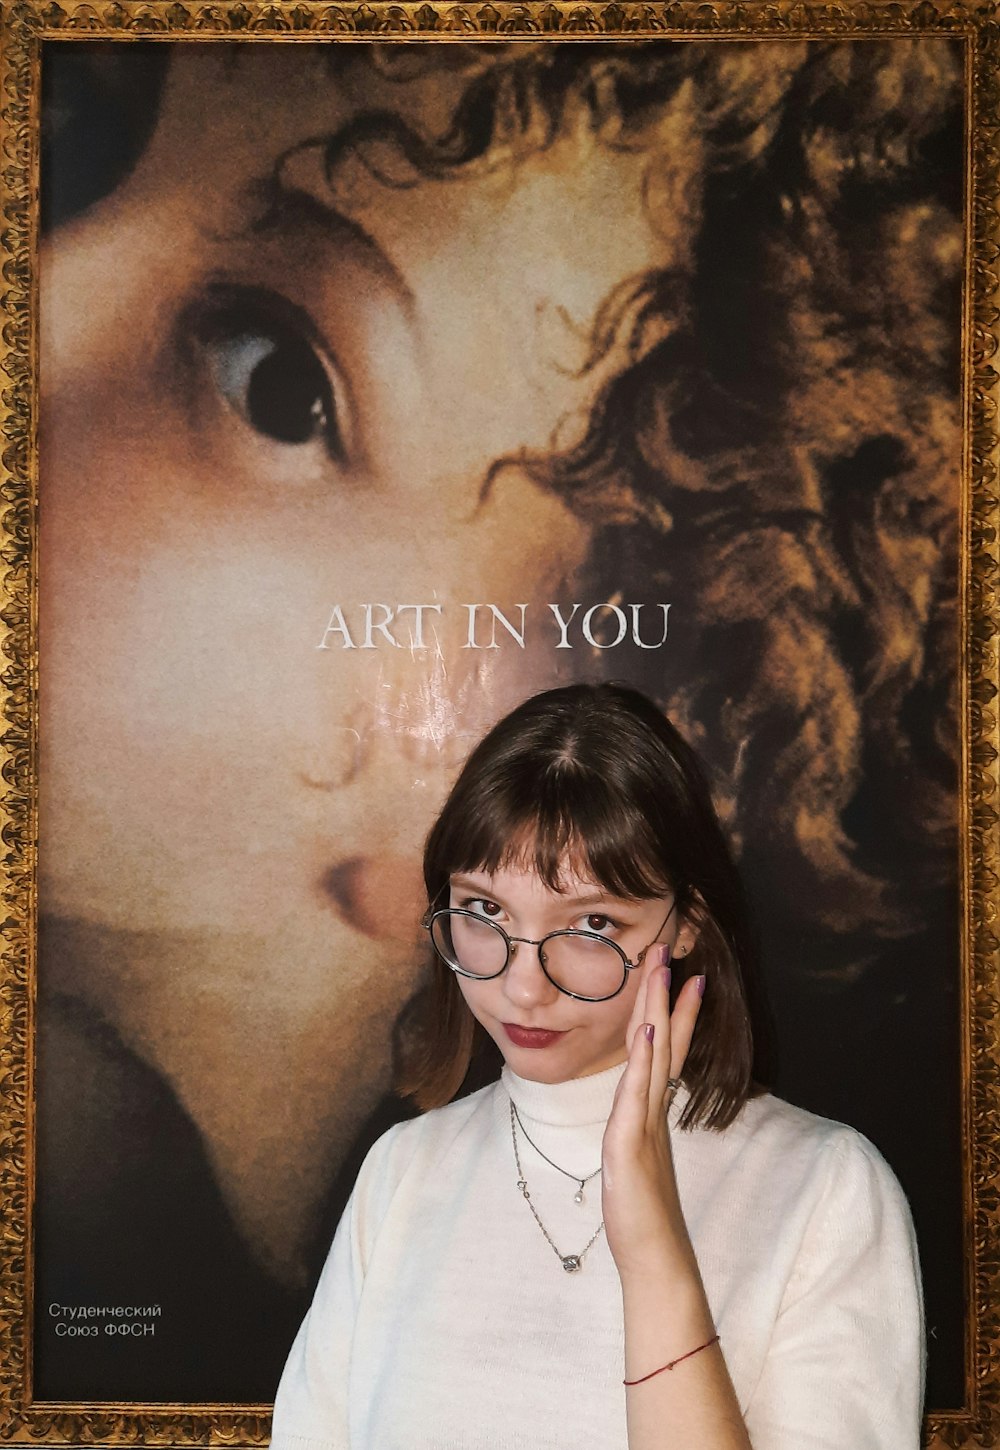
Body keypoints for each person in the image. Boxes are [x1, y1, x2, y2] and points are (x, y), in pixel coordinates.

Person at [35, 38, 958, 1399]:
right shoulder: (396, 1188)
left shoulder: (807, 1199)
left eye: (276, 379)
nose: (38, 292)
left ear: (475, 765)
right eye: (81, 134)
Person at [270, 682, 923, 1449]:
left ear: (685, 928)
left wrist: (651, 1246)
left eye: (591, 923)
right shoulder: (403, 1172)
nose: (522, 986)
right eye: (484, 912)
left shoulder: (826, 1188)